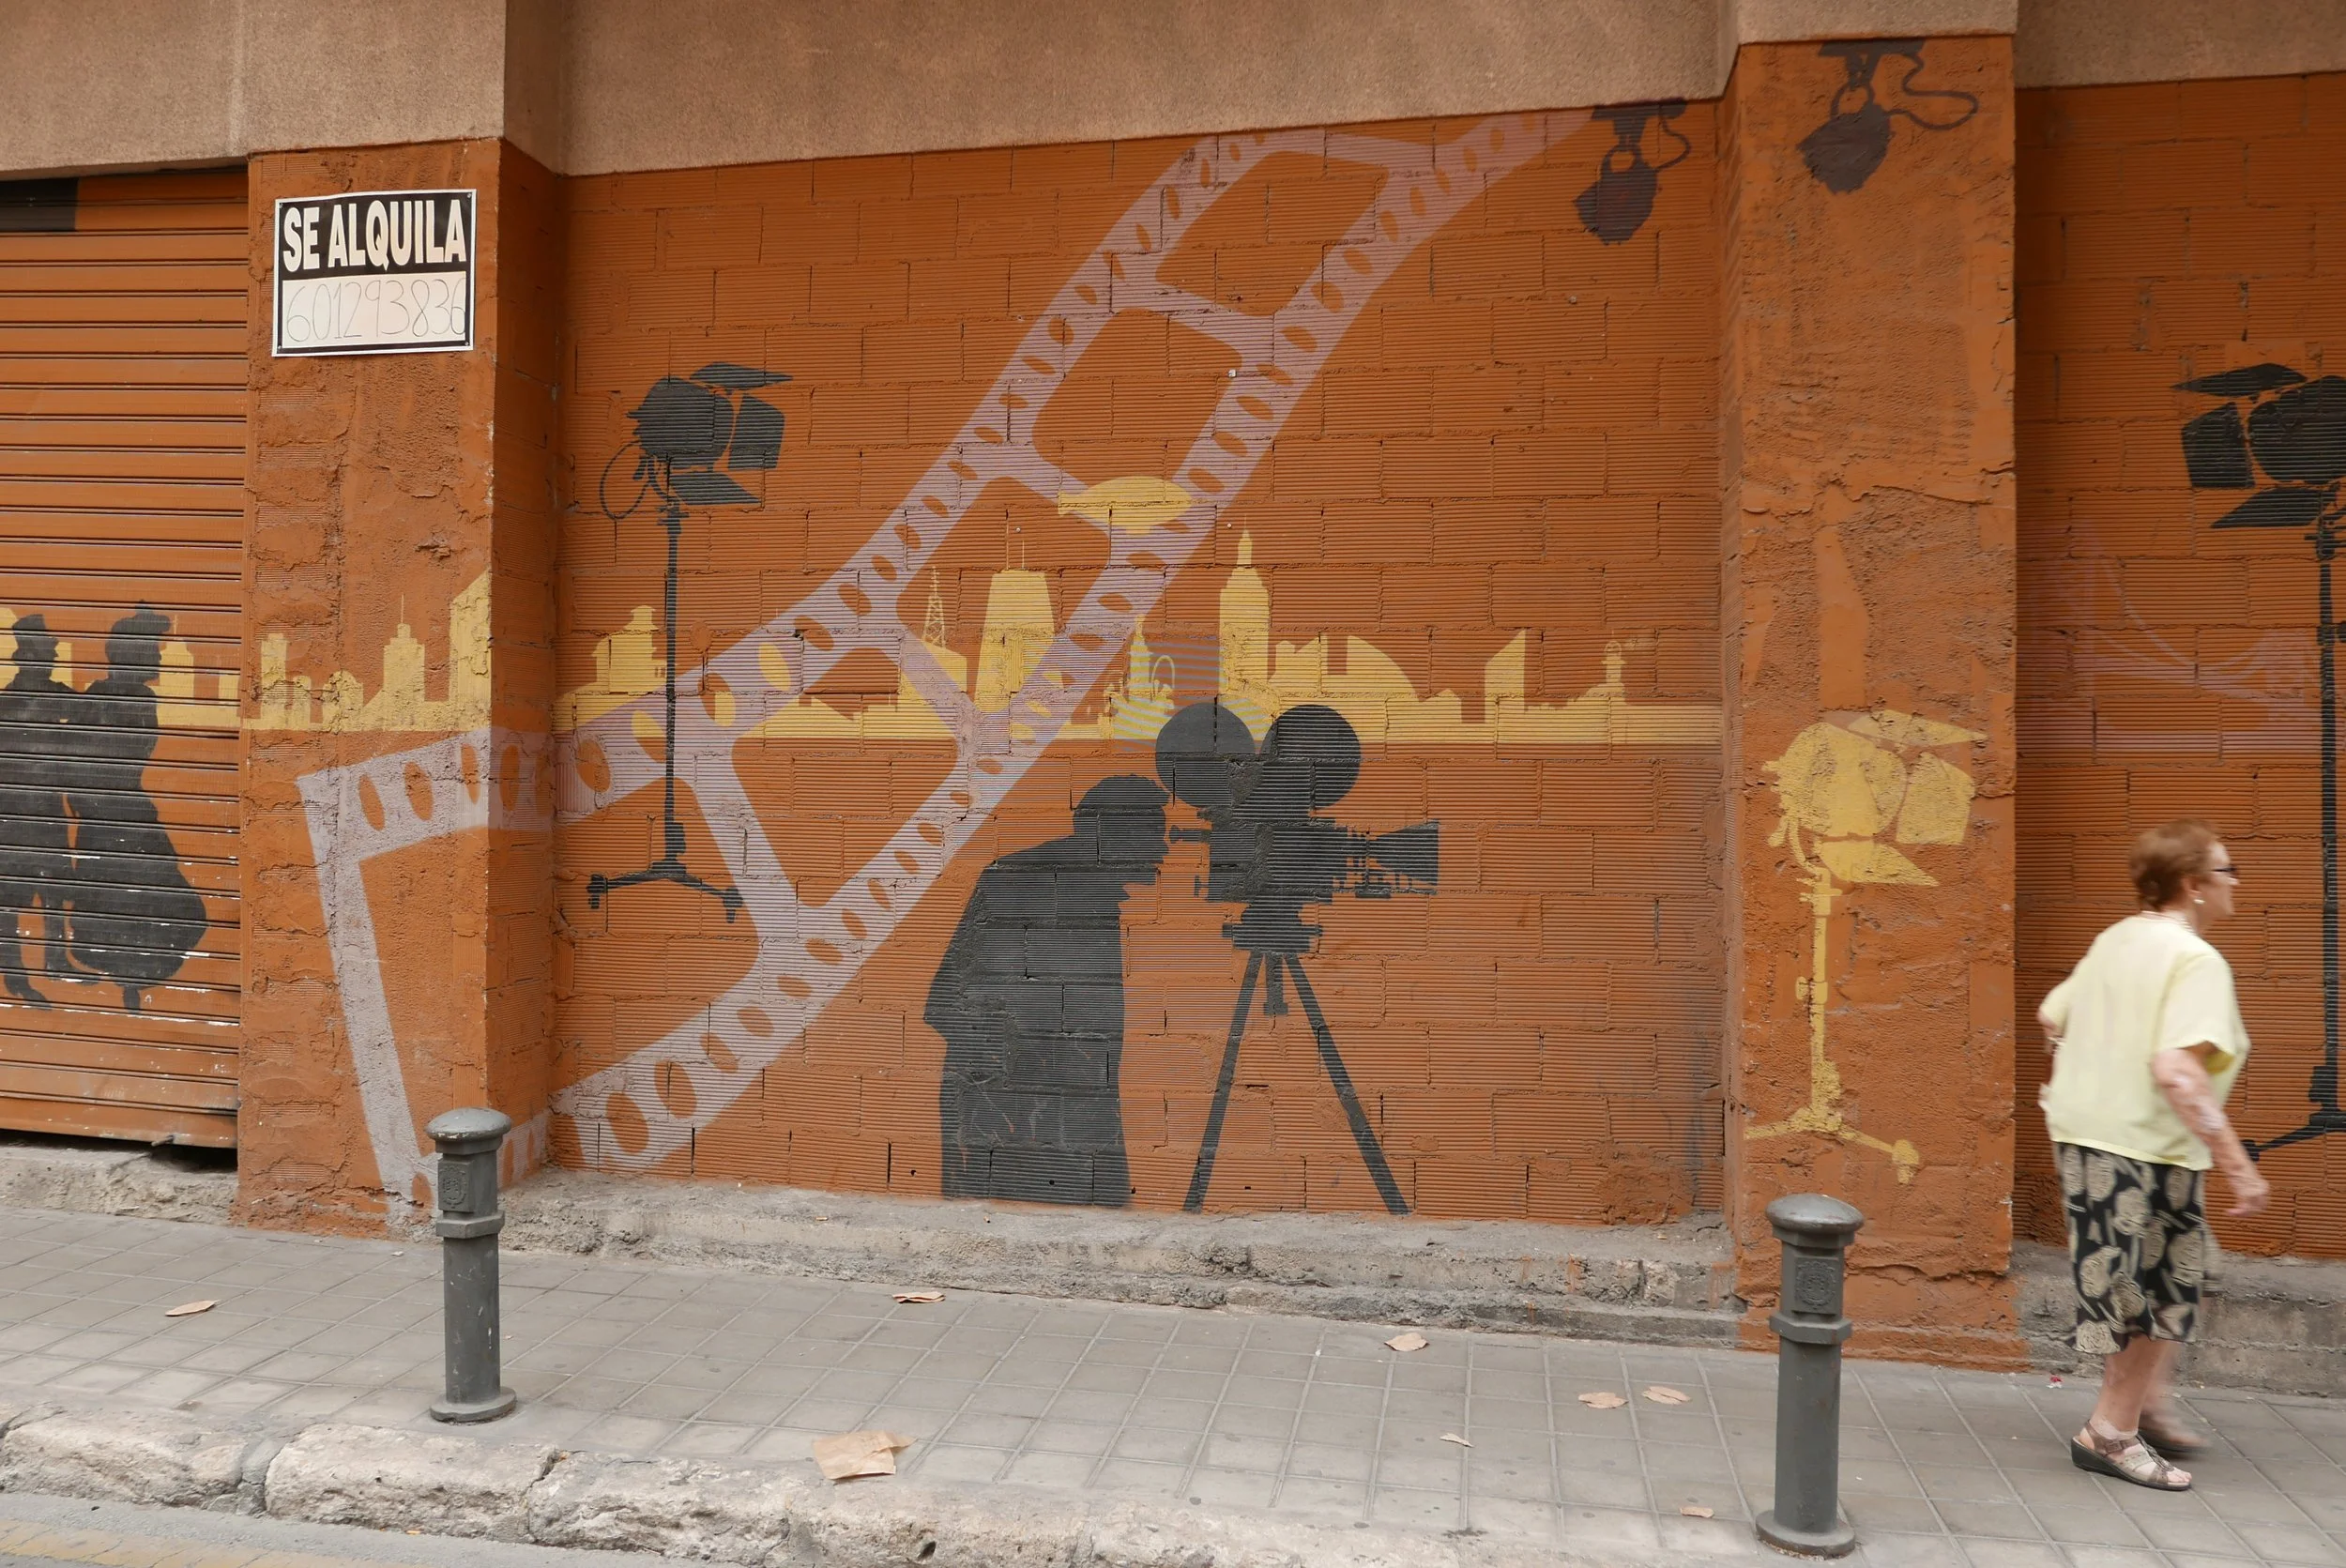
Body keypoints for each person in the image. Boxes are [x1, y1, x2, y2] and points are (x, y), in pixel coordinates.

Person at [2037, 818, 2269, 1491]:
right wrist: (2237, 1162)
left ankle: (2145, 1407)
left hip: (2092, 1137)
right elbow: (2176, 1070)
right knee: (2158, 1293)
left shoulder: (2116, 938)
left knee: (2162, 1282)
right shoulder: (2196, 960)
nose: (2235, 884)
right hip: (2146, 1144)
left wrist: (2083, 1073)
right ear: (2194, 886)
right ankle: (2109, 1433)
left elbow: (2053, 1015)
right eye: (2226, 871)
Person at [926, 775, 1171, 1207]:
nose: (1165, 851)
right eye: (1154, 834)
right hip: (1016, 1119)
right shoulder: (1031, 886)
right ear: (1108, 832)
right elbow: (950, 1002)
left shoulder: (1083, 892)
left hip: (1045, 1115)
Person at [0, 616, 77, 1007]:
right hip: (18, 816)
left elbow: (87, 713)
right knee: (14, 899)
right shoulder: (18, 701)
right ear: (29, 660)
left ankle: (52, 962)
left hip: (40, 812)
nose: (51, 661)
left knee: (49, 890)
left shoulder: (44, 695)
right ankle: (20, 975)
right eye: (47, 655)